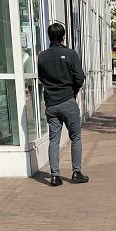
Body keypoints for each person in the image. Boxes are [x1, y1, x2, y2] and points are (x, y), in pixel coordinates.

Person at [37, 23, 89, 187]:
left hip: (51, 103)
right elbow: (79, 77)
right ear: (63, 36)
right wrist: (73, 91)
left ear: (49, 36)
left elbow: (41, 77)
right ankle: (76, 172)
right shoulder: (70, 54)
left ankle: (54, 176)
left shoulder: (42, 56)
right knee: (75, 137)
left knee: (54, 140)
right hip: (67, 100)